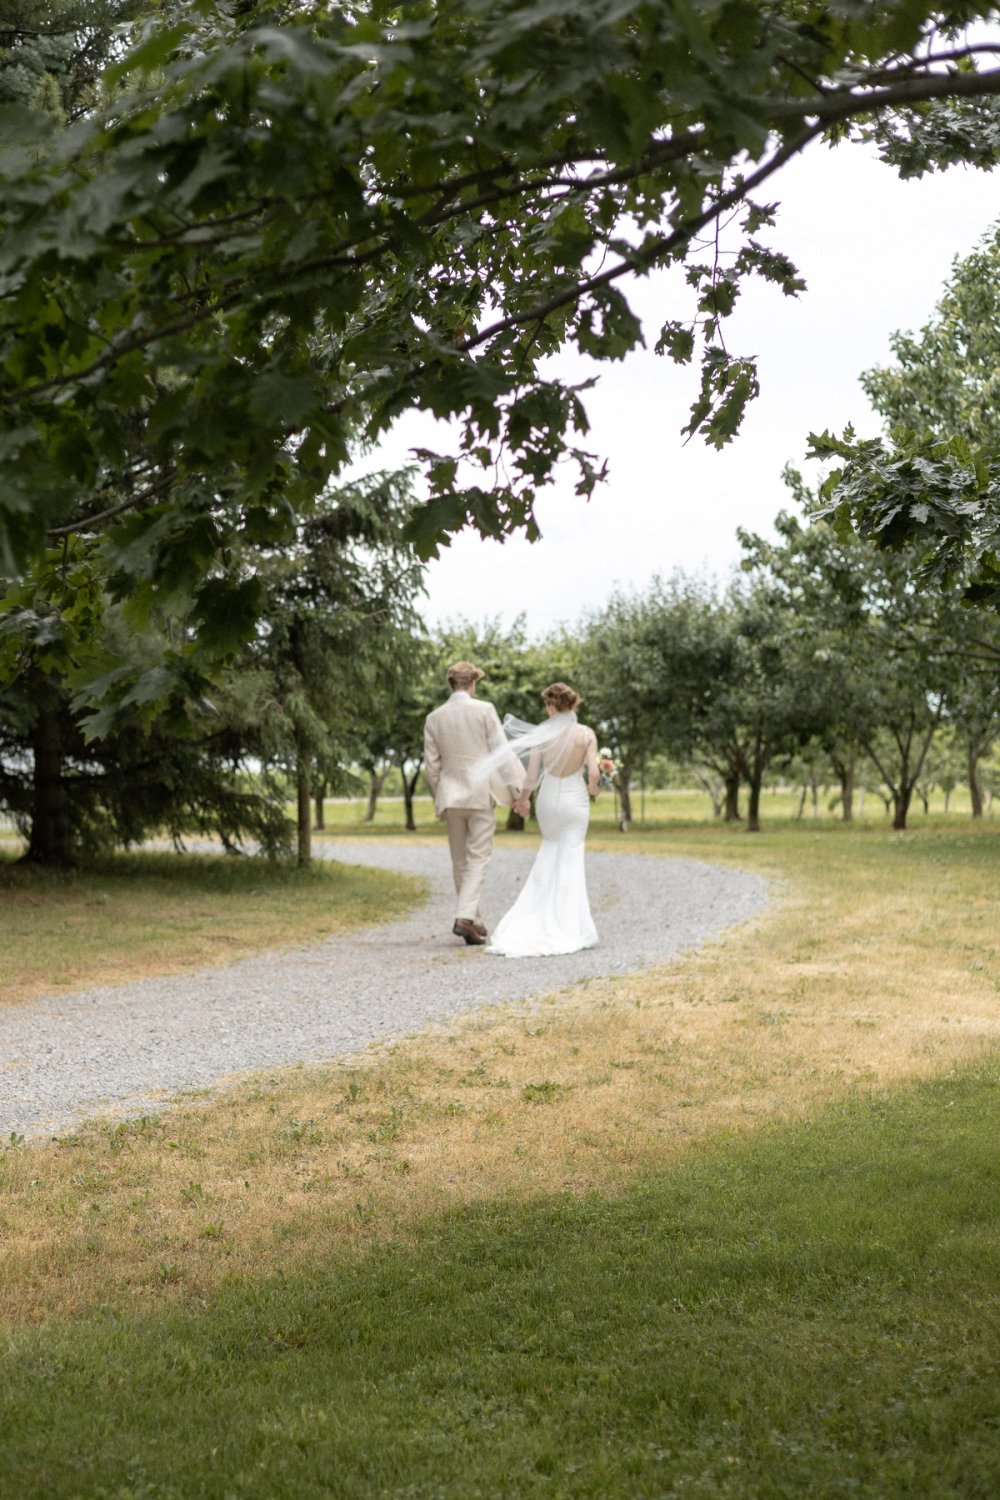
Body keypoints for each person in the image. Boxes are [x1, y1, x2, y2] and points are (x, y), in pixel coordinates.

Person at [485, 682, 600, 958]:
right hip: (575, 801)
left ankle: (534, 919)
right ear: (572, 705)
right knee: (572, 857)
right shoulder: (586, 734)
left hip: (548, 801)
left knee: (550, 850)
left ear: (551, 705)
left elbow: (531, 776)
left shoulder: (542, 736)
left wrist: (523, 800)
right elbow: (593, 774)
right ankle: (571, 927)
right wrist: (594, 790)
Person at [423, 660, 525, 946]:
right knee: (478, 858)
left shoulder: (434, 717)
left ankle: (473, 921)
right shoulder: (484, 710)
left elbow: (432, 766)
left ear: (451, 683)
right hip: (480, 795)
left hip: (451, 797)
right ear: (473, 683)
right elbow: (501, 754)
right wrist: (517, 792)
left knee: (460, 860)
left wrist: (440, 793)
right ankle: (466, 917)